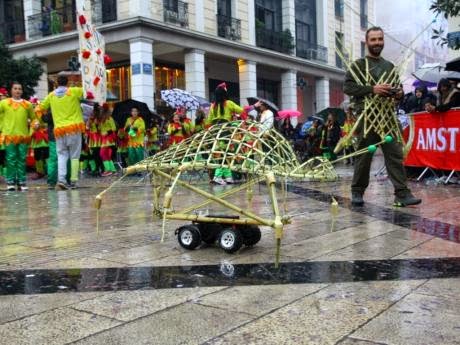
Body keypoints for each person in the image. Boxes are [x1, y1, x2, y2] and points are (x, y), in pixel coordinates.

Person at [343, 26, 421, 207]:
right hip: (367, 116)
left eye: (380, 39)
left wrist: (398, 94)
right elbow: (348, 88)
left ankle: (402, 193)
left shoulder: (389, 66)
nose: (377, 43)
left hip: (387, 117)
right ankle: (357, 191)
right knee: (364, 155)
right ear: (367, 42)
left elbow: (398, 88)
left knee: (395, 153)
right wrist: (372, 89)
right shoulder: (358, 65)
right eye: (373, 40)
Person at [39, 75, 85, 190]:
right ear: (67, 82)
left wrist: (42, 119)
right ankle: (73, 181)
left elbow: (40, 108)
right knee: (74, 156)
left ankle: (61, 180)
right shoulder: (74, 91)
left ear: (56, 83)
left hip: (59, 130)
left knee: (61, 155)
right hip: (74, 128)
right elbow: (89, 93)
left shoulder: (51, 95)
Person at [207, 82, 244, 184]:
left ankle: (228, 176)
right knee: (224, 153)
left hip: (215, 131)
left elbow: (208, 121)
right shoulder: (229, 103)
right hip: (225, 131)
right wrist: (253, 106)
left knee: (224, 153)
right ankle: (217, 176)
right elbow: (241, 111)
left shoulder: (212, 106)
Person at [0, 82, 35, 190]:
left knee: (21, 159)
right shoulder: (4, 103)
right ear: (11, 90)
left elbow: (34, 119)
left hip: (23, 137)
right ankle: (10, 182)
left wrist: (35, 125)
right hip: (9, 136)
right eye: (15, 88)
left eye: (19, 89)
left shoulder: (27, 104)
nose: (17, 91)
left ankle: (22, 182)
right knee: (10, 159)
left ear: (22, 91)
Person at [99, 104, 117, 176]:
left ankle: (108, 170)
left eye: (102, 110)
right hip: (103, 138)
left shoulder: (110, 118)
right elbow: (100, 128)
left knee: (102, 153)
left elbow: (114, 128)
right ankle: (112, 170)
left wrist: (107, 131)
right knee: (106, 155)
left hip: (108, 138)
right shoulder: (102, 119)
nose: (101, 111)